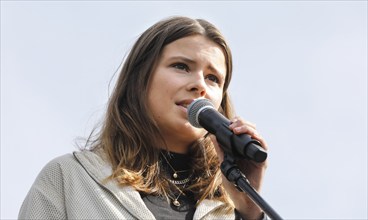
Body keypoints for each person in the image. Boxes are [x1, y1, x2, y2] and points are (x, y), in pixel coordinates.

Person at [18, 16, 268, 220]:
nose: (200, 85)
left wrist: (248, 207)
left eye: (213, 78)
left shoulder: (229, 210)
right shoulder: (69, 178)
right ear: (140, 80)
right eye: (181, 66)